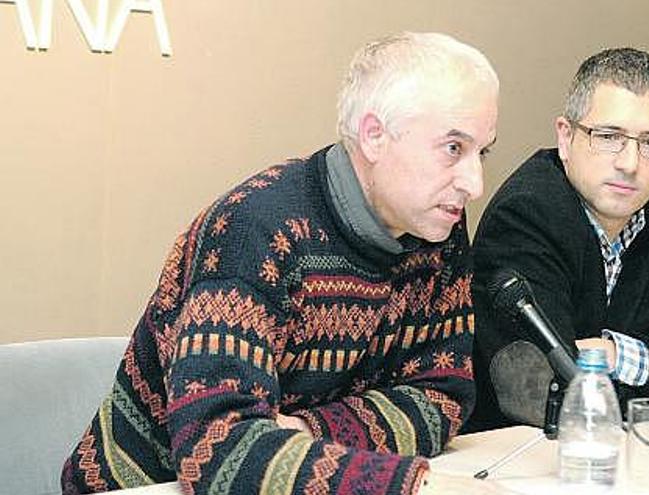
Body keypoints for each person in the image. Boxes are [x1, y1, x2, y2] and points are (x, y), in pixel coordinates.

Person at [62, 32, 504, 495]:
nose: (474, 183)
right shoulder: (253, 231)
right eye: (454, 148)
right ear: (374, 136)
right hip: (143, 487)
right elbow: (219, 452)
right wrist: (416, 488)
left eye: (483, 151)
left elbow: (444, 393)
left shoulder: (437, 226)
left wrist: (307, 431)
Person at [466, 47, 649, 432]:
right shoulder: (526, 214)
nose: (630, 163)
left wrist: (613, 353)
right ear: (565, 138)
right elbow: (546, 393)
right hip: (523, 462)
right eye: (609, 136)